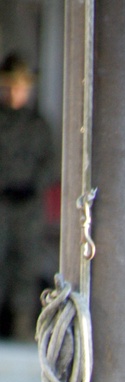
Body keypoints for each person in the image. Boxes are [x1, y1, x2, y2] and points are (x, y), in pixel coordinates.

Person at [0, 52, 55, 342]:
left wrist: (32, 186)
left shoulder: (38, 125)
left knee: (27, 266)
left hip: (29, 208)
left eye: (20, 86)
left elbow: (51, 162)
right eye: (10, 85)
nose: (14, 92)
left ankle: (22, 328)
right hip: (2, 205)